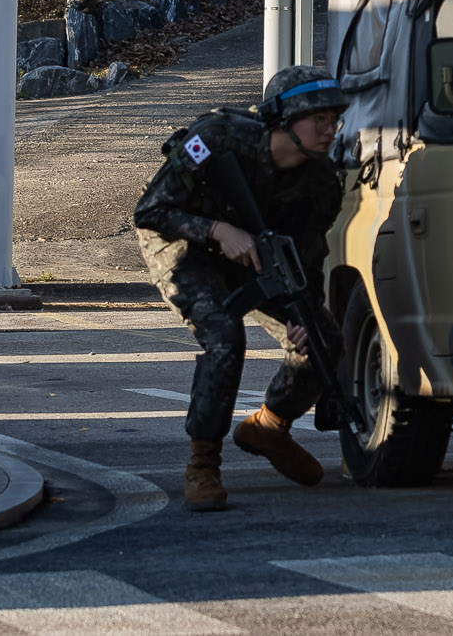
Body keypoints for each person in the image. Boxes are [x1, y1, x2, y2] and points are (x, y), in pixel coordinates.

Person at [134, 67, 346, 511]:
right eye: (318, 119)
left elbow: (307, 260)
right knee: (226, 336)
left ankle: (269, 427)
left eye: (334, 119)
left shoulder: (321, 182)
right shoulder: (219, 138)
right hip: (183, 244)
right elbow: (150, 210)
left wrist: (302, 316)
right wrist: (216, 230)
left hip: (258, 255)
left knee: (323, 341)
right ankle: (204, 463)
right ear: (284, 119)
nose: (329, 130)